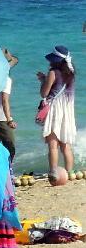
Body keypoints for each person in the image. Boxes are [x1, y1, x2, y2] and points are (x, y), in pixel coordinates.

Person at [38, 45, 76, 174]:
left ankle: (54, 173)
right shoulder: (71, 73)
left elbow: (44, 93)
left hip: (55, 110)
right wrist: (45, 79)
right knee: (65, 145)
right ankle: (69, 172)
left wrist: (43, 81)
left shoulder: (53, 73)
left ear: (55, 60)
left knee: (53, 144)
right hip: (67, 110)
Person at [0, 49, 19, 163]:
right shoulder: (6, 79)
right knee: (10, 147)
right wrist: (9, 119)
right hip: (1, 118)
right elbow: (4, 100)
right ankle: (7, 169)